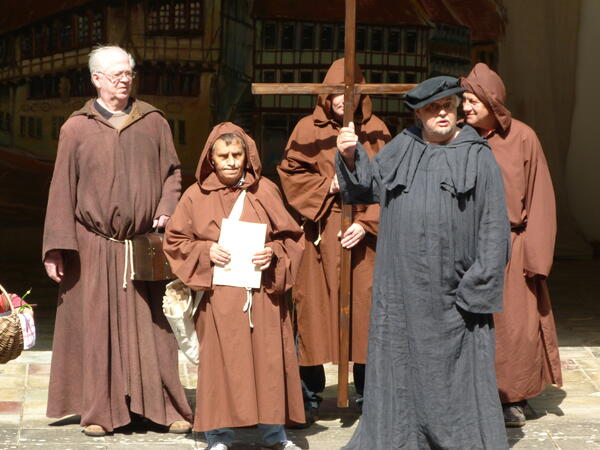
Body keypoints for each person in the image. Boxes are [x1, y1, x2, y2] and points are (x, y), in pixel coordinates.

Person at [336, 76, 511, 449]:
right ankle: (403, 436)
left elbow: (495, 227)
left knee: (456, 377)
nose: (442, 114)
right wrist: (351, 155)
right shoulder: (403, 146)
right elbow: (364, 186)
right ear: (418, 113)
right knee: (403, 368)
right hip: (403, 291)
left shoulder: (478, 155)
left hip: (455, 293)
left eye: (448, 106)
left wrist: (478, 284)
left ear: (458, 109)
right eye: (433, 108)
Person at [42, 45, 192, 436]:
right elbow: (62, 189)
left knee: (154, 327)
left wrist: (167, 207)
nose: (125, 79)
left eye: (129, 73)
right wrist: (56, 248)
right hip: (94, 244)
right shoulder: (76, 127)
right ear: (96, 79)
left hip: (141, 244)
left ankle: (160, 407)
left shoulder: (153, 122)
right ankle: (100, 412)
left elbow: (173, 173)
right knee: (97, 329)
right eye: (116, 74)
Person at [163, 123, 305, 450]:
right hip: (218, 297)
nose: (230, 161)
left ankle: (275, 435)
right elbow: (175, 241)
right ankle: (218, 436)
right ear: (210, 159)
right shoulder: (195, 196)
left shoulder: (265, 190)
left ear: (247, 156)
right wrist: (205, 250)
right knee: (220, 367)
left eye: (236, 155)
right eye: (223, 155)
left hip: (262, 296)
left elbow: (291, 239)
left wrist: (274, 253)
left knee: (268, 363)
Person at [277, 58, 391, 418]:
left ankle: (369, 397)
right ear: (326, 95)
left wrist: (369, 222)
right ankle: (308, 397)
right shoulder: (307, 128)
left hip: (365, 243)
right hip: (320, 235)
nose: (344, 99)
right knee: (312, 314)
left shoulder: (377, 130)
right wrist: (328, 185)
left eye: (351, 91)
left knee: (365, 315)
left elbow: (392, 185)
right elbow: (290, 172)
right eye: (337, 92)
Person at [461, 63, 563, 427]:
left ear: (492, 102)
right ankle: (469, 393)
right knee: (469, 322)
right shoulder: (458, 138)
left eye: (474, 100)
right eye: (465, 100)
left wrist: (535, 258)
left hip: (511, 244)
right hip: (467, 245)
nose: (466, 107)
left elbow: (539, 197)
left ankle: (511, 398)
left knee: (513, 326)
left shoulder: (522, 137)